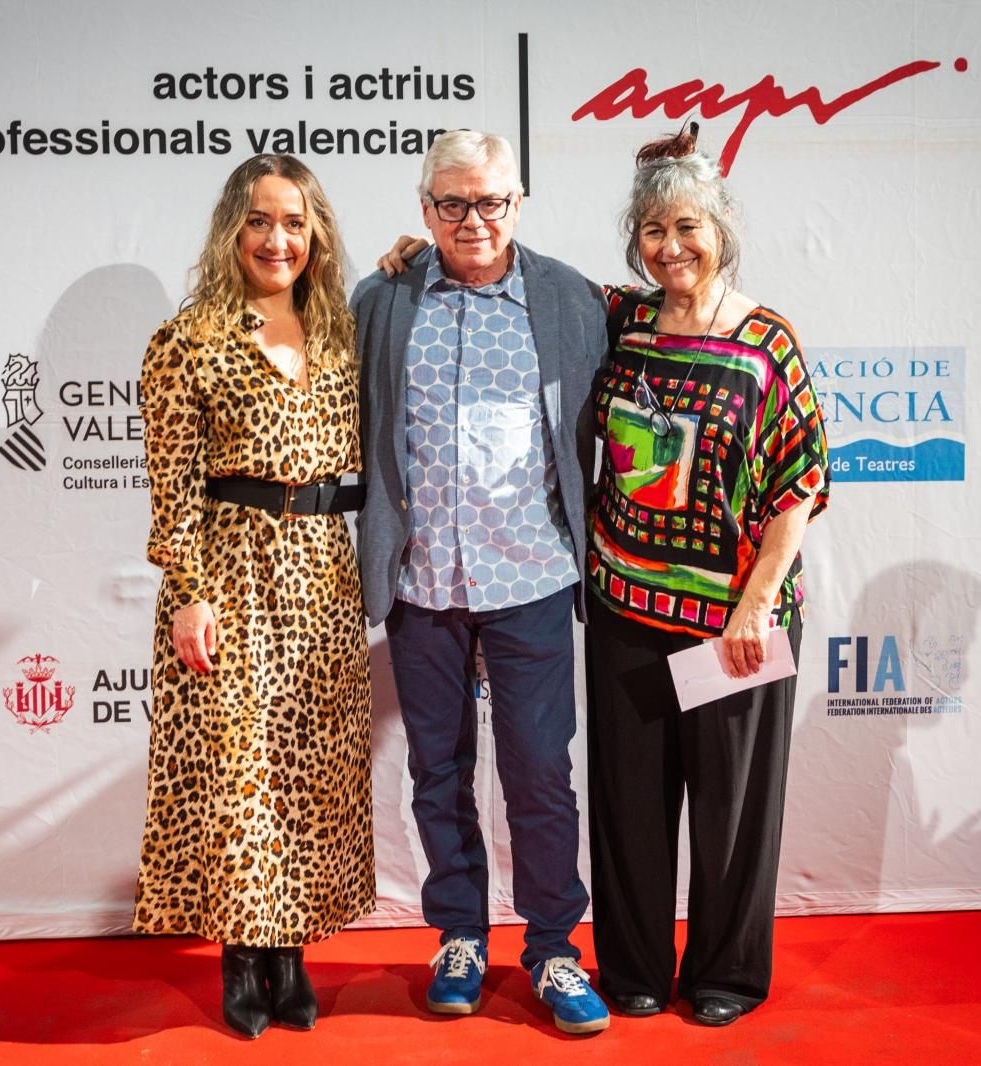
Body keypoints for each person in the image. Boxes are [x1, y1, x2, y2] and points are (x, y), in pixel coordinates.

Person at [351, 129, 611, 1035]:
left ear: (518, 202)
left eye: (490, 201)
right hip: (422, 582)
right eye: (452, 203)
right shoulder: (381, 300)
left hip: (532, 576)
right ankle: (459, 934)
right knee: (437, 772)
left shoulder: (573, 298)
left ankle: (552, 949)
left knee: (541, 775)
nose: (473, 220)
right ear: (424, 209)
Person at [585, 127, 829, 1026]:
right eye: (652, 229)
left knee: (732, 809)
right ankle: (637, 968)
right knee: (631, 805)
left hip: (736, 620)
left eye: (687, 225)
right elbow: (520, 284)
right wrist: (421, 254)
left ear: (721, 228)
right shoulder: (620, 319)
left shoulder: (767, 342)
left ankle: (726, 974)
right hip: (624, 608)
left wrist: (756, 607)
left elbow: (800, 485)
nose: (670, 246)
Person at [133, 154, 372, 1039]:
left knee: (308, 768)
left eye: (296, 223)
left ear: (317, 236)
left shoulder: (342, 331)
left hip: (321, 567)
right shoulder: (187, 340)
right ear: (233, 229)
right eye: (262, 221)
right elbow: (174, 484)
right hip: (228, 572)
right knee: (240, 776)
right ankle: (245, 955)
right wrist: (190, 592)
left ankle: (293, 953)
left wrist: (405, 259)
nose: (280, 240)